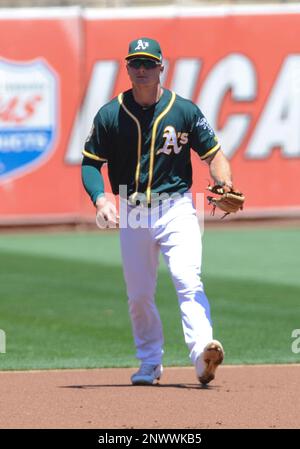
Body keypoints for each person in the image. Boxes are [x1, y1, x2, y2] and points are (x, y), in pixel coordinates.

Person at [81, 37, 233, 386]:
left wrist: (223, 183)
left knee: (187, 278)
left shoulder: (184, 110)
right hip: (132, 209)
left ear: (161, 66)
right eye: (136, 63)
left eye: (149, 63)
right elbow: (91, 163)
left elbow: (214, 155)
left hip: (177, 207)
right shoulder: (110, 114)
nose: (142, 70)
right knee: (139, 295)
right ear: (127, 67)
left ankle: (202, 354)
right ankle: (150, 362)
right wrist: (100, 198)